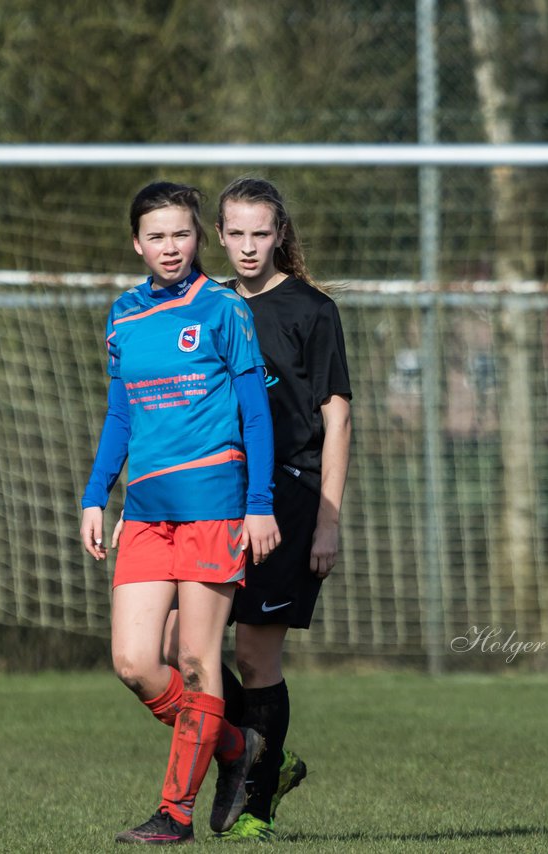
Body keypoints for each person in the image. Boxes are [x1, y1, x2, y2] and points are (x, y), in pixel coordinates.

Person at [80, 180, 282, 845]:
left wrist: (259, 505)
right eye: (157, 236)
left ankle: (175, 814)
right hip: (143, 512)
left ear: (200, 238)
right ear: (137, 243)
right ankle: (236, 749)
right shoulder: (124, 317)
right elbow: (120, 415)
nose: (171, 247)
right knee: (136, 663)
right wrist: (94, 493)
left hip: (214, 507)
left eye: (183, 234)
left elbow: (256, 413)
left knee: (198, 661)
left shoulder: (223, 309)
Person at [213, 176, 353, 841]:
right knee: (174, 648)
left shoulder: (311, 310)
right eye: (236, 233)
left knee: (254, 658)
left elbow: (338, 418)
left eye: (260, 233)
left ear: (281, 234)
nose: (248, 246)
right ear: (218, 236)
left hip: (289, 497)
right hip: (213, 494)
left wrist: (328, 519)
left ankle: (259, 803)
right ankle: (262, 757)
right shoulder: (208, 306)